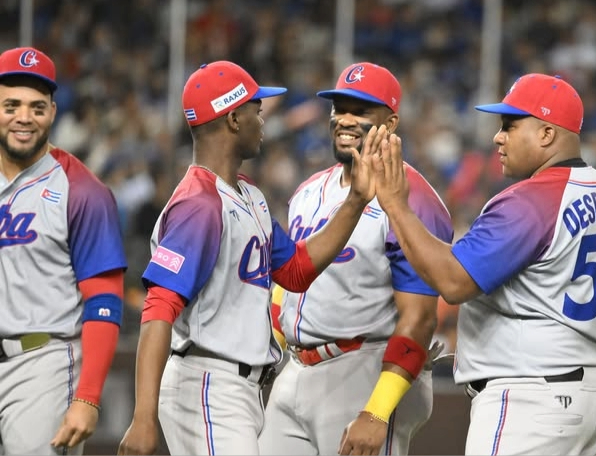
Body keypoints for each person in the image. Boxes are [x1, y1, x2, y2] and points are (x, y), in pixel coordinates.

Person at [117, 60, 381, 455]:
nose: (263, 120)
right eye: (257, 111)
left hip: (238, 389)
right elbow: (158, 311)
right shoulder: (200, 204)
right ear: (234, 119)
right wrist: (142, 417)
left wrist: (356, 201)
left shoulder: (246, 194)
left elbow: (295, 271)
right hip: (206, 382)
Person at [372, 73, 596, 455]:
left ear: (547, 133)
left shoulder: (531, 199)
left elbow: (453, 281)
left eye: (509, 126)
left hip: (530, 399)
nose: (498, 137)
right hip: (591, 394)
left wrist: (396, 205)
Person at [259, 62, 454, 456]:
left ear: (391, 121)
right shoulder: (310, 190)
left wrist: (378, 411)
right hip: (295, 369)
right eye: (339, 108)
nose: (345, 119)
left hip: (364, 368)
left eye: (361, 110)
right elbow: (290, 285)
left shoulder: (413, 200)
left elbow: (419, 317)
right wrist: (274, 349)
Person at [0, 46, 127, 454]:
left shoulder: (82, 190)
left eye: (37, 107)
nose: (24, 117)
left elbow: (104, 301)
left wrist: (87, 397)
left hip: (42, 362)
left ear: (53, 113)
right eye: (12, 105)